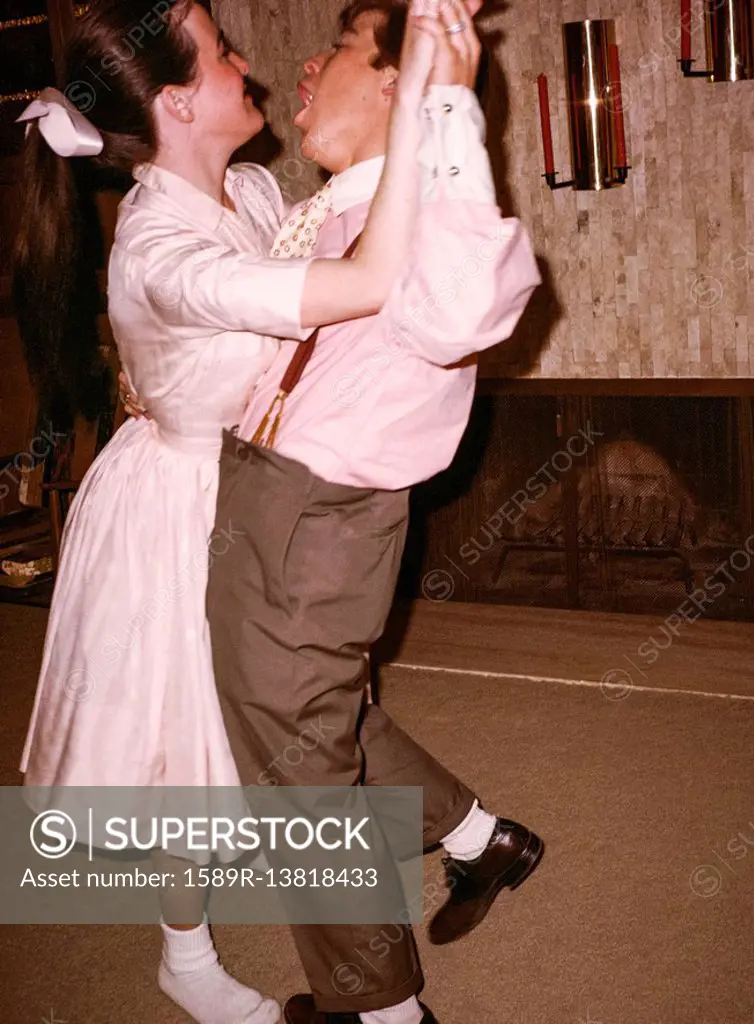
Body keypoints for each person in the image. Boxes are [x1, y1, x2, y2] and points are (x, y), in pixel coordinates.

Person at [13, 1, 470, 1022]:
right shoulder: (154, 250)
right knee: (194, 742)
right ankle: (199, 959)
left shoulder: (260, 187)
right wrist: (423, 100)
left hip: (262, 484)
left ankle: (469, 842)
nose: (246, 63)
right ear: (176, 100)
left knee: (283, 726)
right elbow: (358, 281)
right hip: (183, 507)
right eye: (221, 53)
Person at [201, 3, 544, 1022]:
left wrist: (446, 99)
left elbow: (462, 308)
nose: (302, 64)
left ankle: (384, 1010)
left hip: (314, 516)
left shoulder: (425, 213)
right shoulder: (340, 210)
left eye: (340, 49)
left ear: (397, 85)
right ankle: (486, 840)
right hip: (267, 502)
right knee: (317, 719)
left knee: (300, 771)